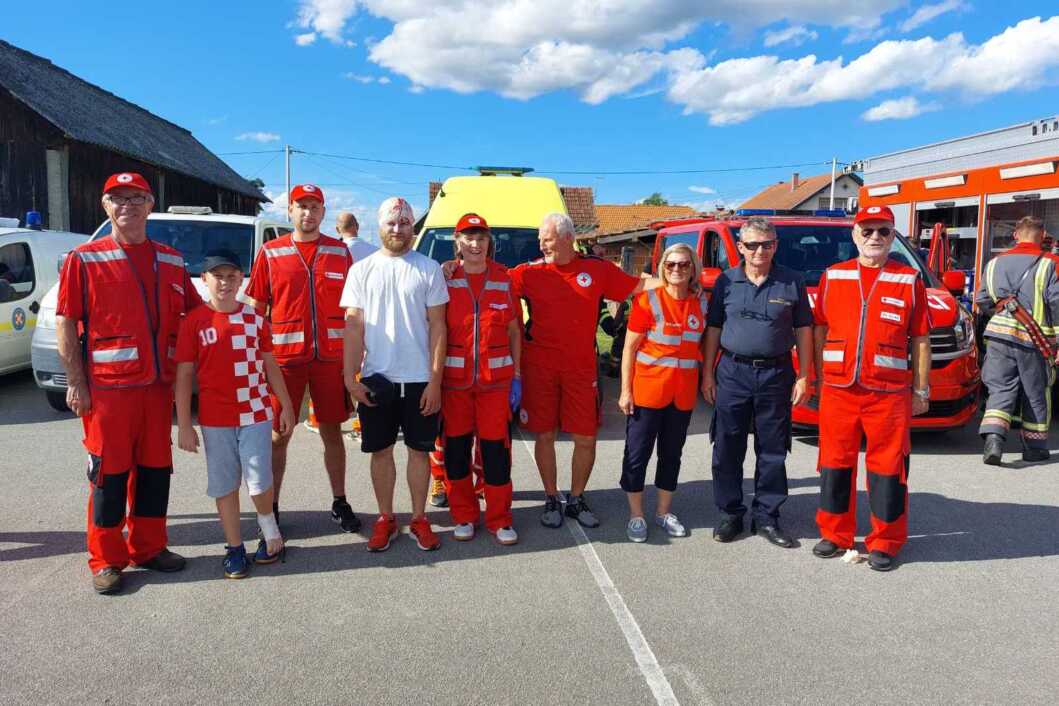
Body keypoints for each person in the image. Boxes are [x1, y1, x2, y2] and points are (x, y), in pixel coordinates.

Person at [55, 172, 201, 594]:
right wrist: (76, 382)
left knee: (156, 472)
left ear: (150, 204)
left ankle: (149, 547)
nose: (127, 206)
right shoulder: (84, 259)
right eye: (118, 198)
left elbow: (195, 317)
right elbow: (66, 322)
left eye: (136, 198)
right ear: (105, 206)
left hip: (157, 392)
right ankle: (106, 559)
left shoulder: (172, 260)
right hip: (108, 393)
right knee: (109, 477)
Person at [507, 213, 658, 528]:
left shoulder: (597, 269)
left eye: (546, 239)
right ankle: (551, 497)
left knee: (585, 438)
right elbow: (491, 280)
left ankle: (576, 499)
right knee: (545, 434)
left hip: (581, 369)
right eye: (540, 239)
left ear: (566, 238)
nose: (541, 245)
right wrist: (451, 268)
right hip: (540, 367)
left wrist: (678, 282)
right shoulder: (528, 273)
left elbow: (639, 286)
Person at [811, 205, 931, 572]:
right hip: (839, 389)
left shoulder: (909, 279)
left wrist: (921, 390)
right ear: (854, 235)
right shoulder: (834, 276)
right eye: (867, 231)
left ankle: (886, 541)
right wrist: (815, 376)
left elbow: (921, 339)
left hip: (889, 392)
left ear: (893, 236)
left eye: (882, 231)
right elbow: (817, 329)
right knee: (834, 464)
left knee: (888, 469)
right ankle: (835, 534)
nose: (874, 238)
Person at [244, 184, 361, 534]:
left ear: (324, 212)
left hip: (330, 361)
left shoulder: (340, 253)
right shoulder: (270, 253)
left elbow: (354, 310)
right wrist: (256, 360)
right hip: (284, 363)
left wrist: (355, 361)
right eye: (301, 206)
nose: (308, 213)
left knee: (332, 433)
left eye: (314, 207)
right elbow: (256, 309)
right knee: (279, 436)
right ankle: (272, 508)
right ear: (290, 211)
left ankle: (340, 501)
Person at [175, 249, 296, 578]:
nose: (225, 283)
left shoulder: (257, 319)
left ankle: (269, 529)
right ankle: (234, 548)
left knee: (259, 481)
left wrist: (284, 404)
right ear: (204, 280)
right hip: (215, 421)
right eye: (218, 276)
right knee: (225, 485)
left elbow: (270, 365)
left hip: (256, 413)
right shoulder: (194, 322)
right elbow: (184, 375)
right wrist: (184, 425)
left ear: (241, 279)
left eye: (232, 276)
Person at [342, 197, 448, 552]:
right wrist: (349, 378)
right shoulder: (361, 270)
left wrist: (435, 380)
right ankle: (386, 518)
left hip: (420, 379)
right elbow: (353, 327)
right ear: (379, 226)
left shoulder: (428, 268)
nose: (398, 229)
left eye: (404, 223)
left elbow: (438, 328)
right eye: (391, 223)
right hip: (377, 379)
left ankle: (419, 518)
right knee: (381, 451)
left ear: (413, 227)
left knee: (420, 452)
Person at [701, 216, 813, 548]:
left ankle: (766, 516)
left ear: (775, 245)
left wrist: (805, 376)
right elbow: (714, 330)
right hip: (733, 373)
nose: (759, 250)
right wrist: (707, 372)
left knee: (773, 450)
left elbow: (803, 331)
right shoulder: (726, 282)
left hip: (776, 374)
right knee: (726, 448)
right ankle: (730, 514)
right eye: (751, 245)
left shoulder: (792, 282)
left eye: (766, 244)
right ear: (740, 248)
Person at [441, 213, 522, 545]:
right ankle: (464, 515)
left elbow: (515, 330)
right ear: (458, 242)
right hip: (454, 385)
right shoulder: (443, 278)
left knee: (496, 455)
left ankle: (500, 519)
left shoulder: (504, 278)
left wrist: (517, 375)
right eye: (469, 238)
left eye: (482, 238)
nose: (476, 244)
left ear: (490, 243)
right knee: (456, 453)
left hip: (495, 386)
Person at [618, 243, 706, 542]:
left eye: (683, 264)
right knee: (637, 454)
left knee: (672, 455)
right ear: (662, 269)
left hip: (681, 395)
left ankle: (663, 512)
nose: (677, 270)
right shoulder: (648, 301)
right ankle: (636, 515)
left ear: (693, 267)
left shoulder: (701, 303)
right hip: (647, 392)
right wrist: (625, 391)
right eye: (671, 265)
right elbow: (629, 349)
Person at [977, 216, 1059, 464]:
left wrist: (1005, 312)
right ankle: (1034, 448)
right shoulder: (1051, 263)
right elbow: (1056, 302)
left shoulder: (993, 264)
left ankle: (994, 440)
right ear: (1043, 234)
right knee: (1036, 392)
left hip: (998, 337)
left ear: (1015, 235)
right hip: (1035, 341)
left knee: (1000, 388)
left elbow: (982, 300)